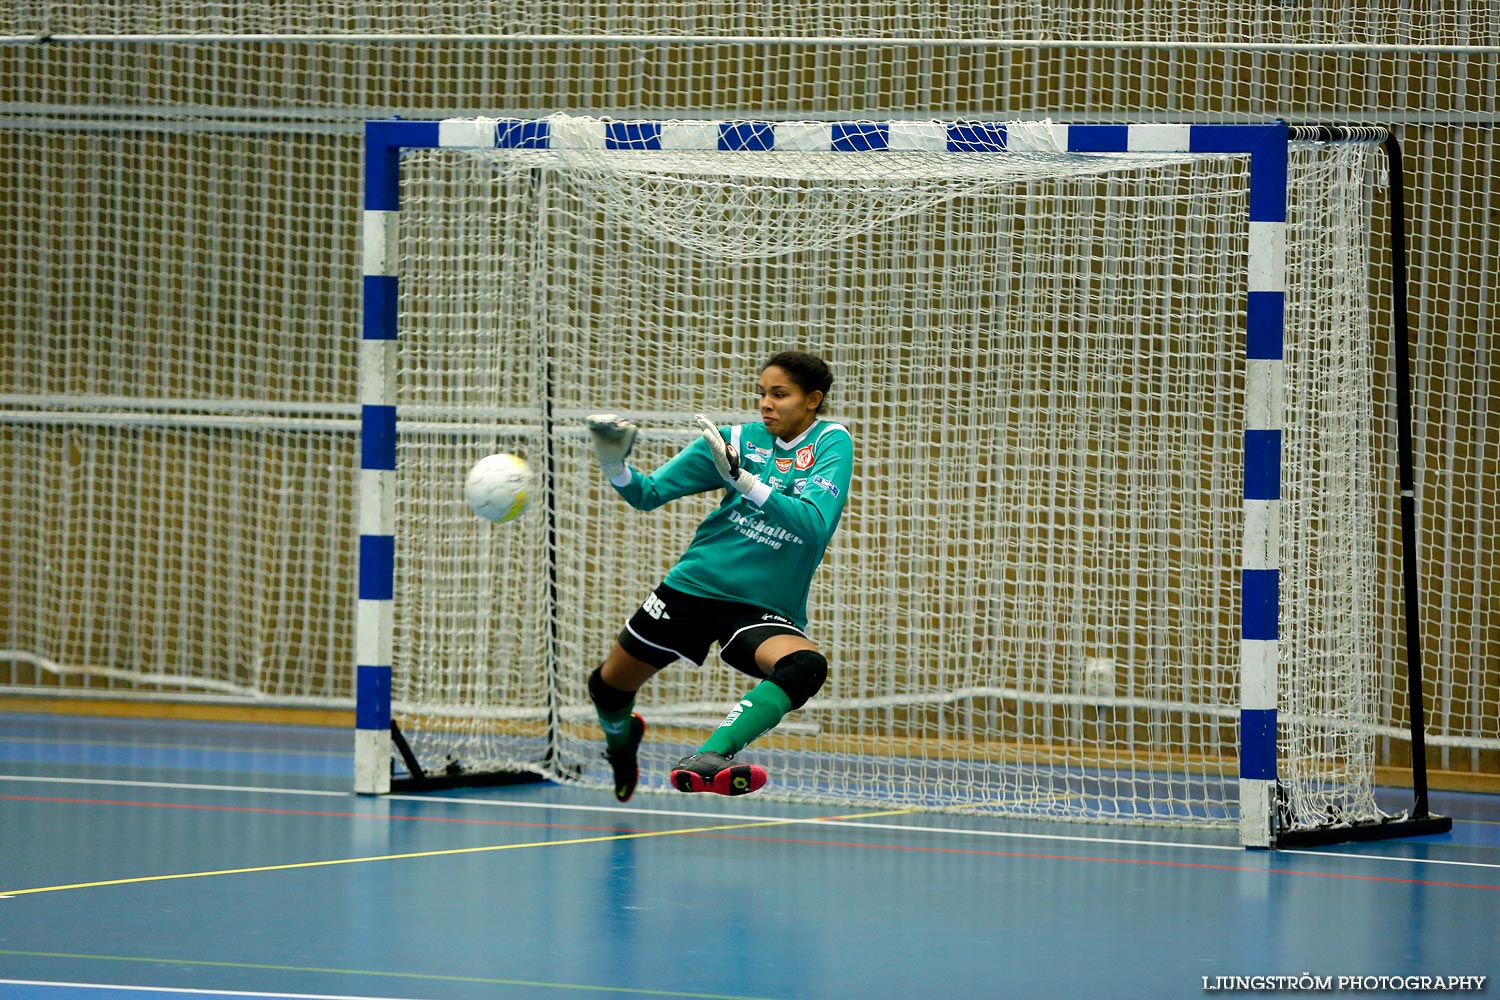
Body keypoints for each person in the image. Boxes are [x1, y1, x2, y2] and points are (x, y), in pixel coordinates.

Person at [583, 350, 852, 801]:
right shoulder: (733, 440)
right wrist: (614, 464)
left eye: (779, 394)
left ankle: (711, 756)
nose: (766, 403)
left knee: (804, 667)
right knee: (608, 688)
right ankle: (621, 745)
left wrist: (744, 480)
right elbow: (647, 494)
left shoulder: (830, 443)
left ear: (813, 400)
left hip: (759, 606)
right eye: (762, 393)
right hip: (693, 587)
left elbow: (813, 525)